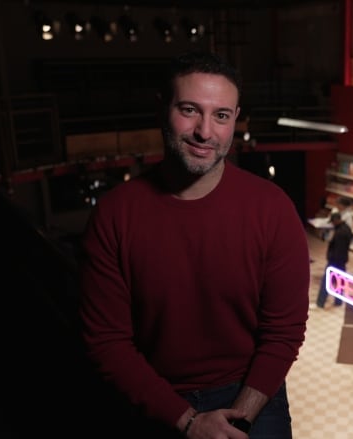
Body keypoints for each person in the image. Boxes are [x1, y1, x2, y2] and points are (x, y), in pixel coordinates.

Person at [78, 50, 310, 439]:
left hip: (249, 389)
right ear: (162, 109)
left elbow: (284, 331)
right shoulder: (114, 215)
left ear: (235, 120)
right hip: (156, 394)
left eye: (221, 115)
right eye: (189, 110)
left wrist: (242, 416)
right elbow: (107, 342)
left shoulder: (272, 209)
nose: (205, 131)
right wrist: (188, 421)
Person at [316, 212, 353, 308]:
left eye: (333, 222)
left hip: (335, 261)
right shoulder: (346, 228)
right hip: (342, 260)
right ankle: (338, 301)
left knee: (326, 281)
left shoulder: (340, 233)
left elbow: (337, 248)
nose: (332, 224)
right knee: (340, 281)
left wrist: (331, 260)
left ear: (336, 220)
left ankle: (320, 303)